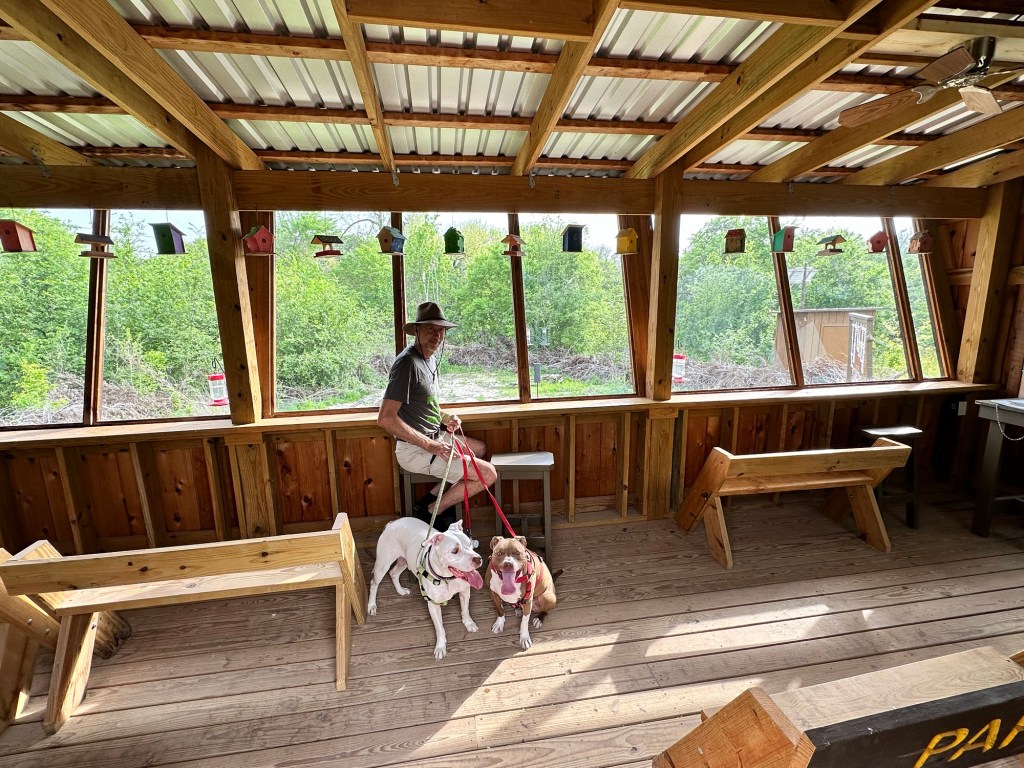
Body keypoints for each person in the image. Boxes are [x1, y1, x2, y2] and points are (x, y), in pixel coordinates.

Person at [377, 301, 497, 529]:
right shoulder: (407, 364)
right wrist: (431, 446)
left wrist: (444, 418)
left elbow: (424, 403)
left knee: (479, 448)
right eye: (430, 329)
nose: (437, 335)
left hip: (436, 438)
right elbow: (386, 418)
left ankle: (429, 501)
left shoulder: (429, 359)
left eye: (441, 330)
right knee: (488, 474)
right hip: (414, 450)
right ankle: (434, 510)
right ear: (416, 330)